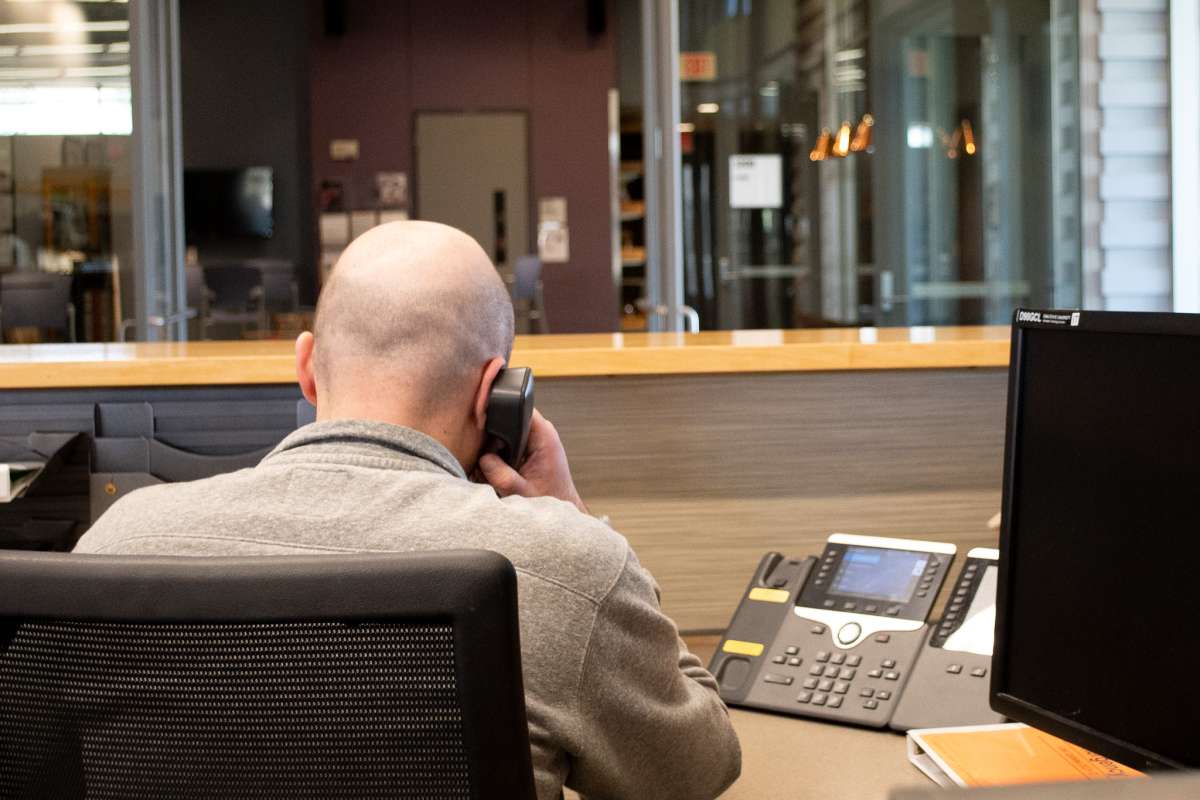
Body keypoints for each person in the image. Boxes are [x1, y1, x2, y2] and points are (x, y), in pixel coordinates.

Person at [74, 221, 742, 800]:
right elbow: (694, 769)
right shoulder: (561, 565)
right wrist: (574, 517)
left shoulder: (119, 544)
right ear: (496, 393)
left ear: (306, 368)